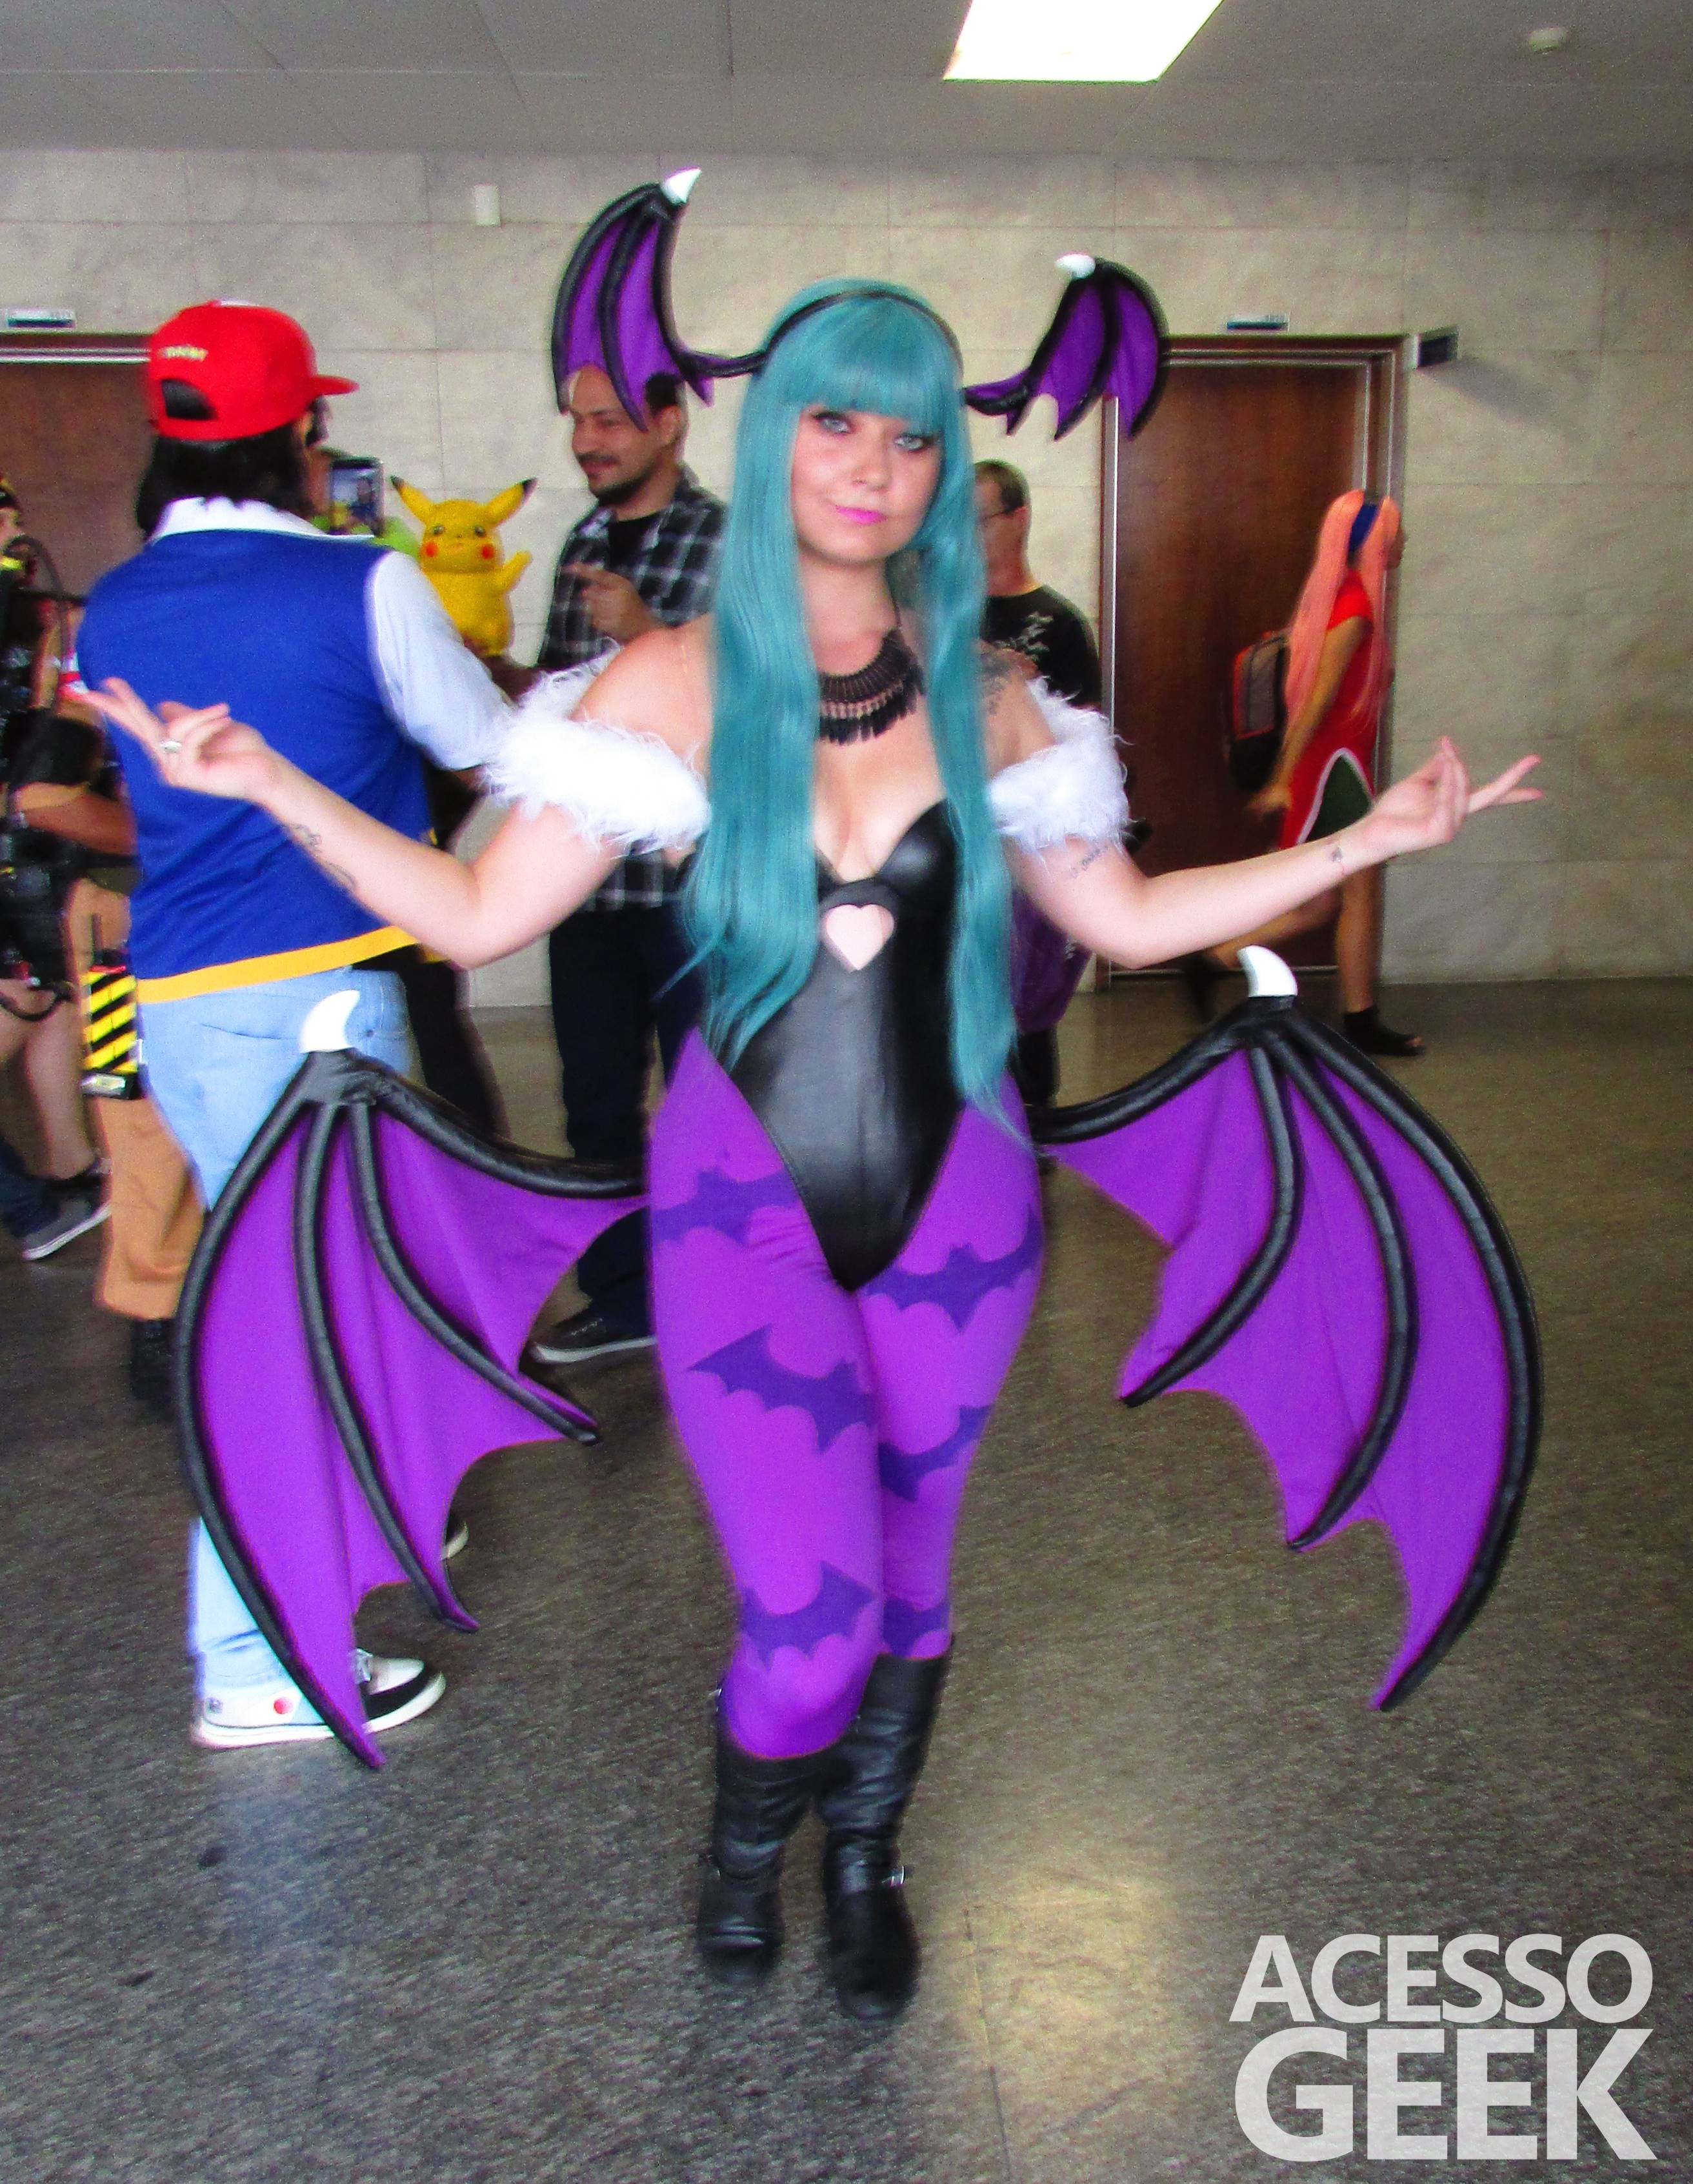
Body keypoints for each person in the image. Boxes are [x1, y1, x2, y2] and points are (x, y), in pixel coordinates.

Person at [90, 283, 1538, 2017]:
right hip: (736, 1210)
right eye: (835, 422)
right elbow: (472, 916)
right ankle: (739, 1843)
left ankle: (863, 1853)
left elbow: (1134, 920)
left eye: (910, 434)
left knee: (912, 1581)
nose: (871, 463)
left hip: (965, 1206)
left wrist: (1359, 844)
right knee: (808, 1614)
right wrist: (273, 787)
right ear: (776, 435)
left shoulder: (997, 697)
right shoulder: (665, 682)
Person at [76, 299, 510, 1750]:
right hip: (313, 1003)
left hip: (180, 1002)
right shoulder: (360, 582)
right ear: (303, 433)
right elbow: (485, 746)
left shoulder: (117, 601)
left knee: (299, 1299)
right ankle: (254, 1657)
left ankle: (355, 1532)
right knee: (294, 1333)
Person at [525, 366, 723, 1370]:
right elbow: (561, 701)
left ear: (669, 424)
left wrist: (647, 634)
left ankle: (725, 1292)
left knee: (713, 1103)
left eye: (608, 420)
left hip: (695, 886)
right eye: (579, 421)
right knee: (594, 1101)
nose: (587, 440)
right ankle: (623, 1295)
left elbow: (765, 701)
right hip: (587, 882)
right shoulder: (581, 543)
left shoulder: (731, 544)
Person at [305, 423, 506, 1137]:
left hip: (402, 845)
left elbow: (470, 750)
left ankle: (480, 1159)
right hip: (336, 861)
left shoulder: (387, 578)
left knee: (432, 1016)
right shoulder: (308, 593)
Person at [1208, 491, 1419, 1056]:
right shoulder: (1354, 606)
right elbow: (1318, 701)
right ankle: (1362, 1020)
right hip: (1333, 768)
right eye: (1395, 532)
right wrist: (1282, 776)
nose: (1403, 541)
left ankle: (1215, 959)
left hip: (1333, 765)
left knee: (1321, 903)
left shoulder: (1341, 599)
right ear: (1373, 541)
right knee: (1360, 891)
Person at [974, 457, 1105, 1123]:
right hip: (958, 825)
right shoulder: (938, 615)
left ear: (1018, 519)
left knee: (1025, 977)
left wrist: (1030, 692)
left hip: (1027, 833)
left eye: (980, 519)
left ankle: (1034, 1111)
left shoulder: (1058, 623)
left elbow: (1086, 742)